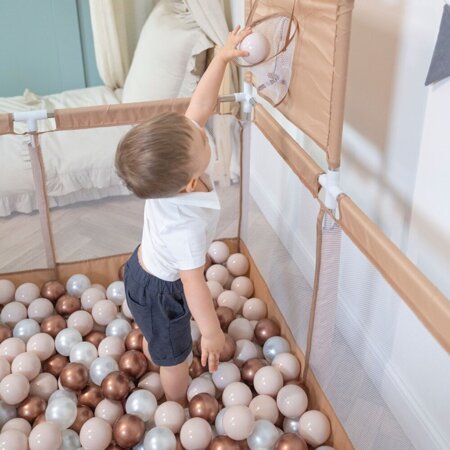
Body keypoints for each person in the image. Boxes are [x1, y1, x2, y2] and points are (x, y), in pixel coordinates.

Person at [115, 25, 251, 405]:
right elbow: (193, 286)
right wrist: (209, 333)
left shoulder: (177, 167)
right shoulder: (185, 227)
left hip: (145, 268)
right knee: (175, 358)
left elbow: (201, 105)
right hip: (160, 290)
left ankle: (152, 339)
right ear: (191, 183)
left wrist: (222, 57)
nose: (202, 130)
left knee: (161, 337)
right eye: (204, 139)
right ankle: (173, 404)